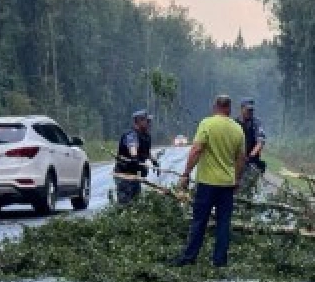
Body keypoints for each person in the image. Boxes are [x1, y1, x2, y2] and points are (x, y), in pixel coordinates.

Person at [171, 95, 246, 267]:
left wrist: (186, 173)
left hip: (207, 183)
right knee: (223, 223)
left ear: (215, 107)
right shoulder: (237, 129)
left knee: (199, 221)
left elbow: (196, 150)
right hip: (227, 184)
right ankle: (219, 261)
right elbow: (241, 158)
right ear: (229, 108)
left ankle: (189, 257)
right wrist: (237, 179)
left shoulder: (207, 124)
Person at [114, 109, 157, 204]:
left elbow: (145, 151)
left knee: (136, 200)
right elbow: (133, 148)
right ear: (139, 121)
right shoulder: (131, 135)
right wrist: (135, 159)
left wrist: (154, 161)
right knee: (125, 202)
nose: (149, 124)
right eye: (147, 121)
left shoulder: (145, 135)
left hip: (135, 174)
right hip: (124, 174)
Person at [237, 97, 267, 192]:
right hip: (236, 161)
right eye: (248, 110)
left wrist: (250, 156)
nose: (250, 112)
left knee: (248, 189)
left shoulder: (256, 123)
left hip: (251, 162)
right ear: (242, 108)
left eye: (251, 110)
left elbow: (260, 142)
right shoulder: (235, 122)